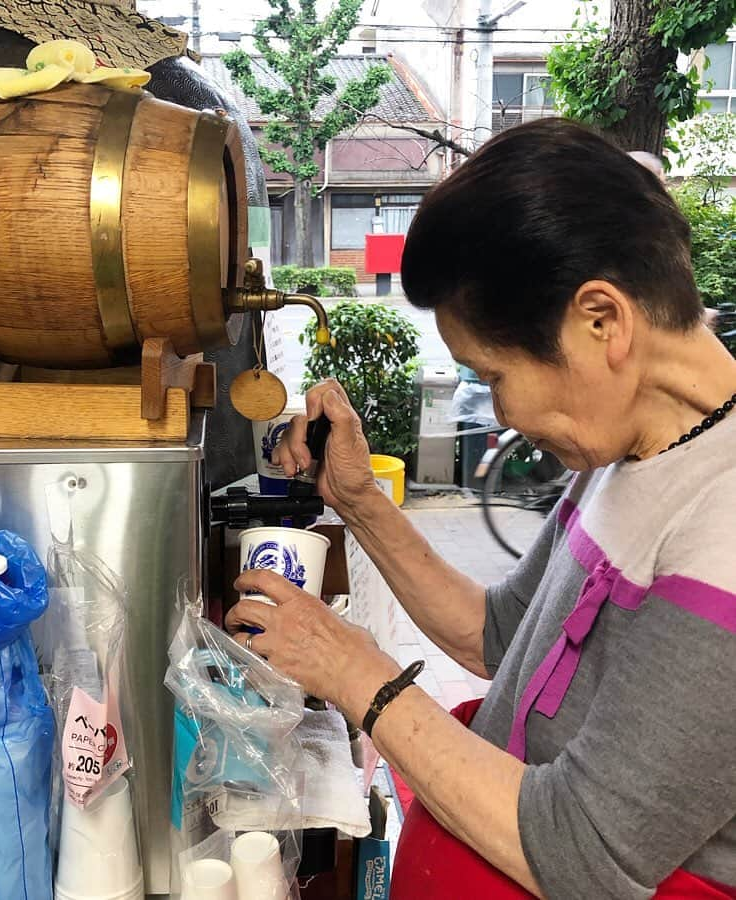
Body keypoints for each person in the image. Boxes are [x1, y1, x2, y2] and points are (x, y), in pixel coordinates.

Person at [226, 119, 736, 900]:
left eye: (492, 374)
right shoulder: (628, 450)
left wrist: (358, 674)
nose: (499, 412)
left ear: (602, 321)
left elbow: (586, 846)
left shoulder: (723, 526)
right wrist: (358, 502)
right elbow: (503, 638)